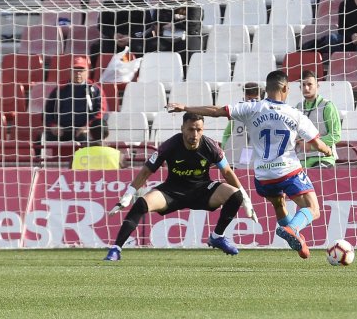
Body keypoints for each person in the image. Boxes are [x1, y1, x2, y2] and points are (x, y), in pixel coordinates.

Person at [167, 70, 331, 258]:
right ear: (286, 88)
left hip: (263, 177)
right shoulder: (295, 114)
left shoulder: (252, 108)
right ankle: (292, 229)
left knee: (279, 203)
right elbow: (317, 144)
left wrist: (186, 107)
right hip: (288, 171)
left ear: (267, 89)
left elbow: (216, 111)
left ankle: (296, 238)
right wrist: (328, 150)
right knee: (313, 209)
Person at [105, 112, 254, 261]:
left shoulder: (210, 146)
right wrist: (128, 195)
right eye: (190, 129)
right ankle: (115, 249)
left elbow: (227, 172)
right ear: (182, 128)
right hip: (172, 191)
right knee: (141, 204)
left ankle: (217, 236)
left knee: (235, 194)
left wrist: (246, 199)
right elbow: (145, 171)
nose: (195, 134)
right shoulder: (169, 145)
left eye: (199, 130)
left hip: (202, 190)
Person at [44, 55, 106, 144]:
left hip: (84, 130)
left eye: (81, 70)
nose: (78, 73)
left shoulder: (95, 90)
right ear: (70, 71)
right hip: (61, 130)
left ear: (87, 72)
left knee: (86, 139)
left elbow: (100, 112)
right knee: (45, 138)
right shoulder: (59, 89)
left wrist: (87, 126)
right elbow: (47, 111)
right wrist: (53, 125)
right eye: (75, 70)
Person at [297, 72, 340, 168]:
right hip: (301, 159)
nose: (306, 88)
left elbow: (336, 135)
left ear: (317, 86)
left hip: (323, 157)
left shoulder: (328, 106)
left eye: (309, 84)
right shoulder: (298, 107)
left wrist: (311, 145)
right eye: (303, 85)